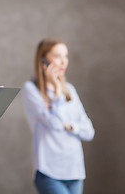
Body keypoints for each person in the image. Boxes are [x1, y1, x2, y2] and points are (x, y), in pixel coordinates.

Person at [21, 37, 95, 194]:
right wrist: (57, 91)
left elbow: (89, 131)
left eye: (65, 56)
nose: (64, 62)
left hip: (74, 170)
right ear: (43, 60)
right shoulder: (31, 89)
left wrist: (70, 126)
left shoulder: (70, 90)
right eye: (57, 56)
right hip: (49, 171)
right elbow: (54, 124)